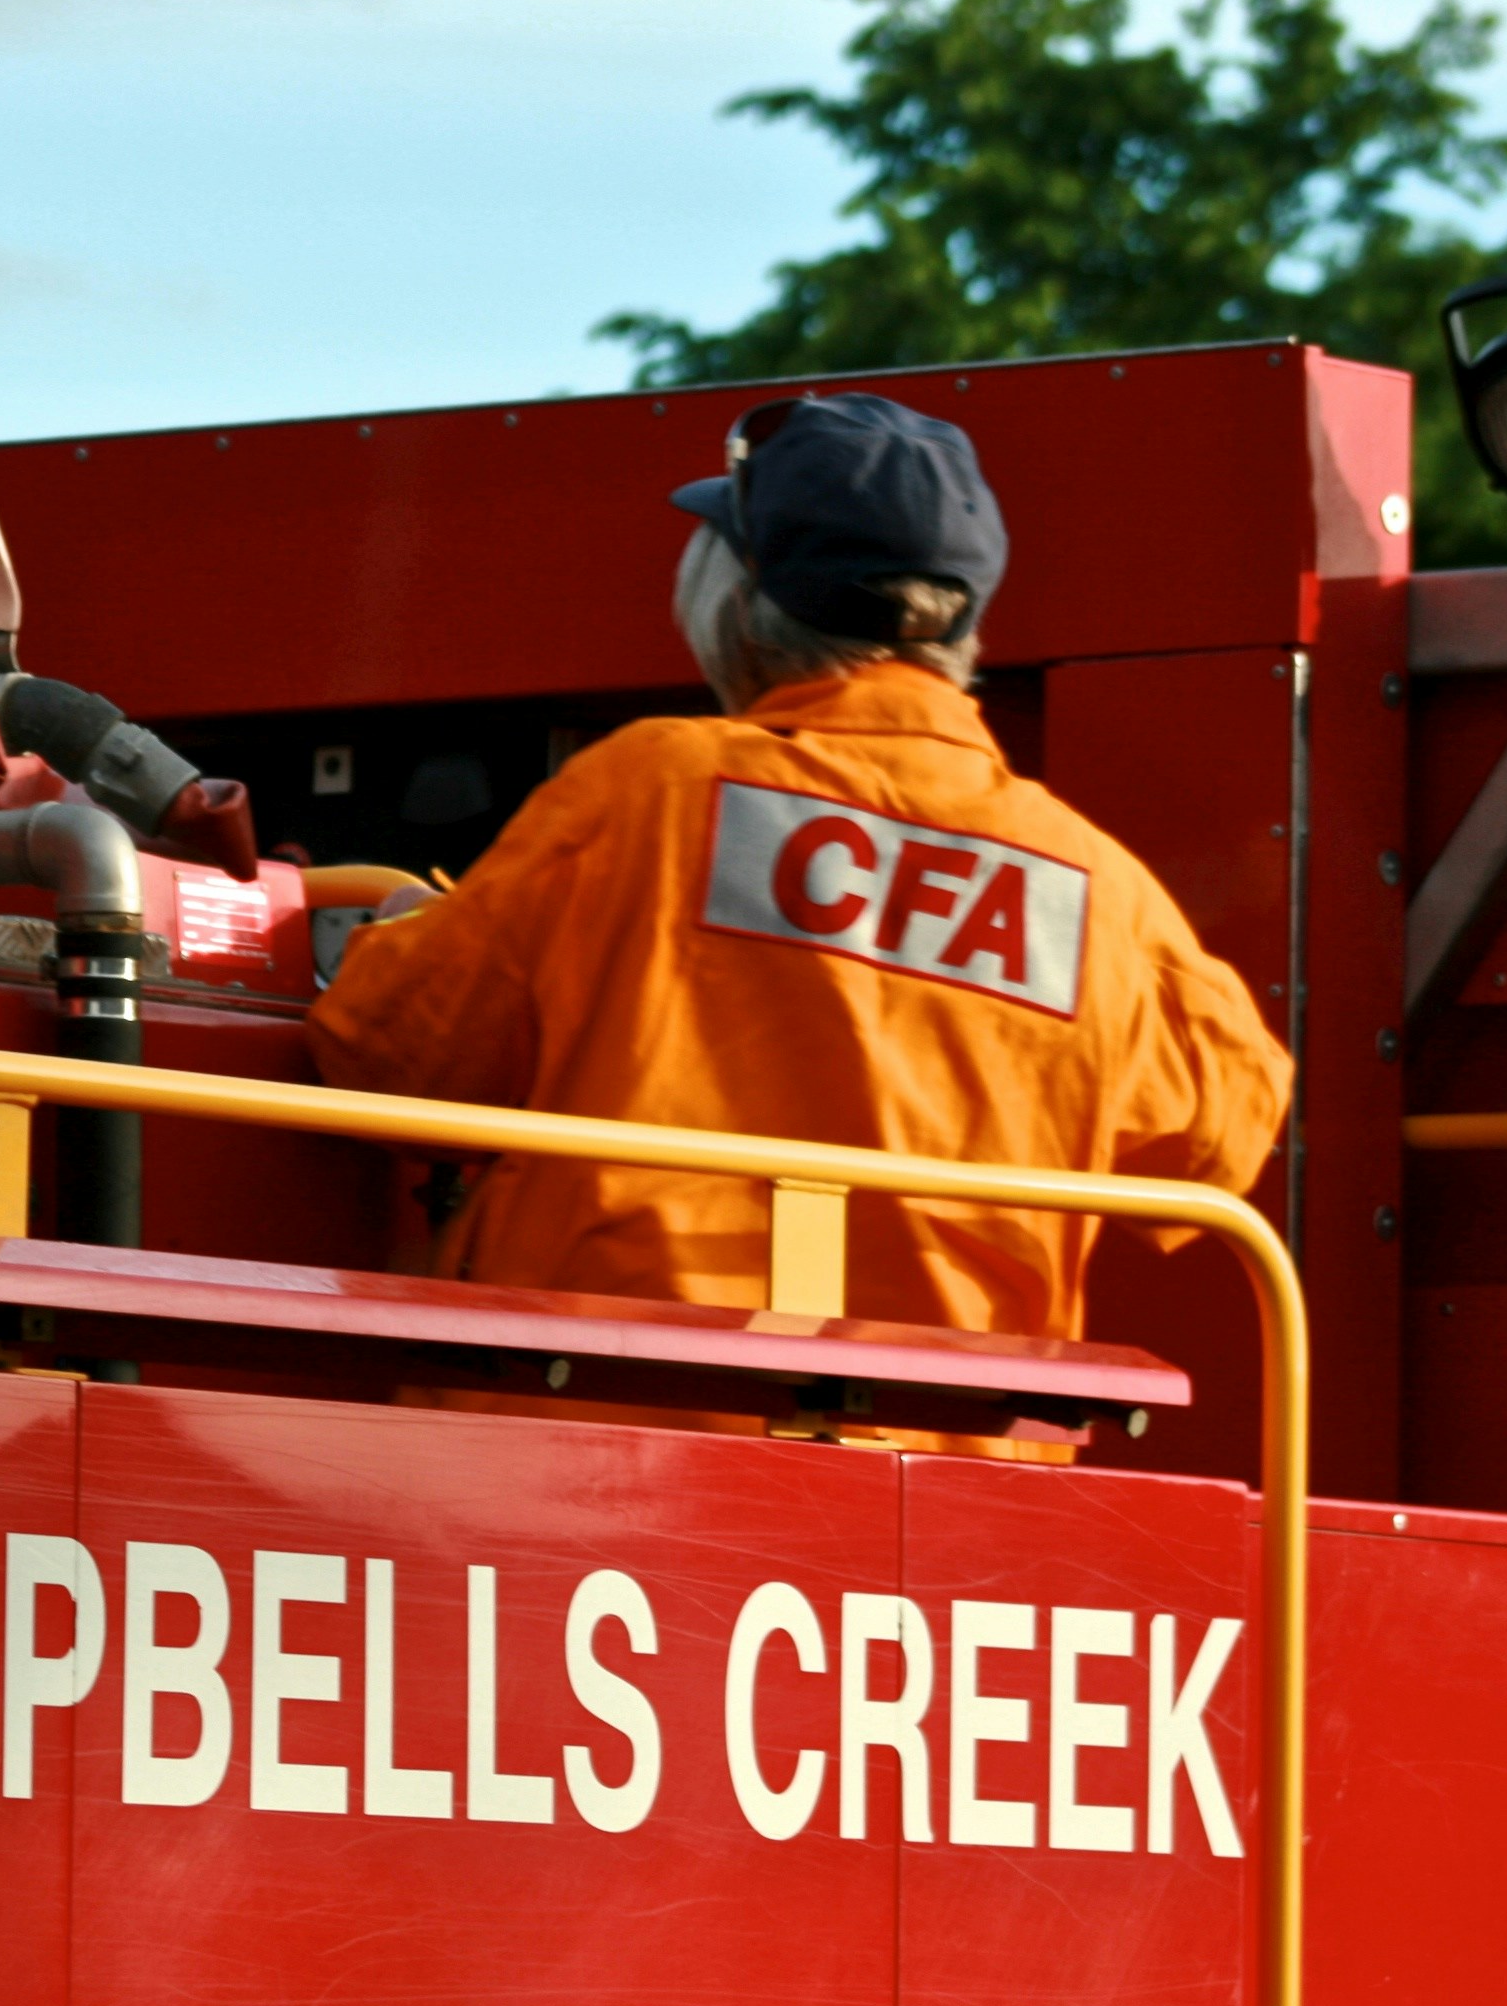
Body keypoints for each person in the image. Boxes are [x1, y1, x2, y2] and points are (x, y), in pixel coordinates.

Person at [305, 391, 1290, 1338]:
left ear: (738, 602)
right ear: (961, 622)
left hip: (609, 1445)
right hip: (950, 1480)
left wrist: (398, 925)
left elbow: (391, 1049)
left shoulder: (649, 792)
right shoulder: (1097, 890)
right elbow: (1222, 1139)